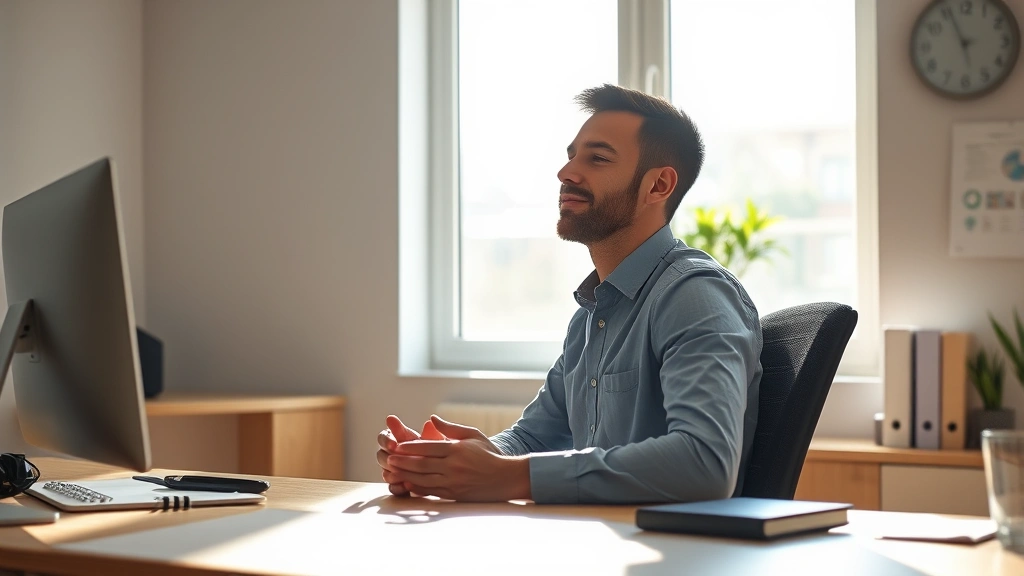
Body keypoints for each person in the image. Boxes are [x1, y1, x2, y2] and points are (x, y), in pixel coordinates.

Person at [377, 84, 762, 504]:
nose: (566, 173)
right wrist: (459, 461)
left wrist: (510, 477)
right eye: (571, 155)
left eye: (596, 159)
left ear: (658, 186)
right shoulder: (592, 315)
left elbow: (705, 463)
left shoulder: (694, 295)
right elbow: (534, 438)